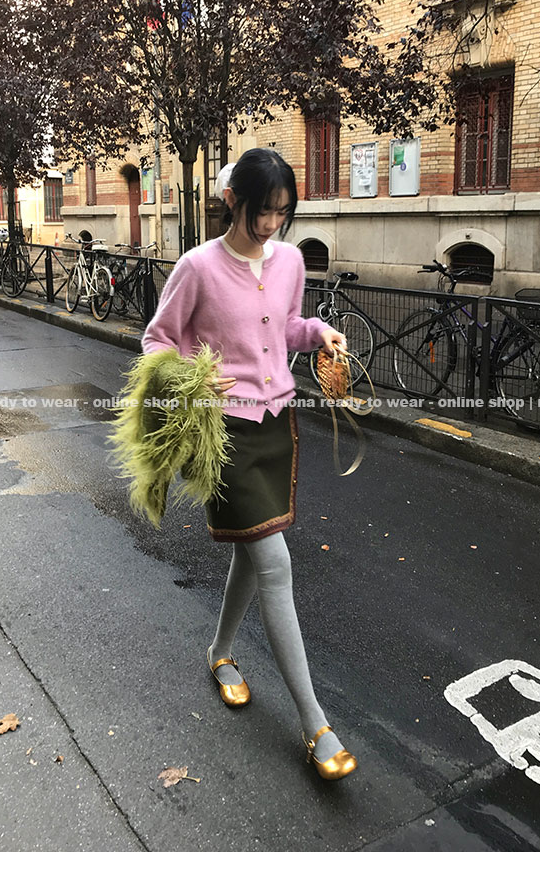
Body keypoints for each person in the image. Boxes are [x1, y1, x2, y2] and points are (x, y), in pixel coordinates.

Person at [141, 147, 358, 780]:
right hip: (225, 435)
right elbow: (157, 341)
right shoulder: (197, 267)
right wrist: (190, 378)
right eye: (262, 211)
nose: (270, 225)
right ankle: (316, 724)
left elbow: (283, 327)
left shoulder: (290, 261)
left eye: (282, 213)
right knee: (275, 561)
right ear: (233, 200)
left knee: (251, 550)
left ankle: (220, 652)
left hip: (277, 427)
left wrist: (318, 333)